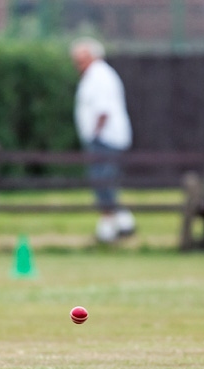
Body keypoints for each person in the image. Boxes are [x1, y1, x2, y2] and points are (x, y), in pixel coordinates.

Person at [71, 37, 135, 242]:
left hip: (106, 139)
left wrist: (94, 136)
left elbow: (103, 111)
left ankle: (119, 225)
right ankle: (117, 225)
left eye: (82, 58)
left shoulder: (99, 75)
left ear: (93, 56)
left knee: (103, 181)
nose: (78, 64)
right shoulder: (95, 74)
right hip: (104, 138)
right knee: (104, 182)